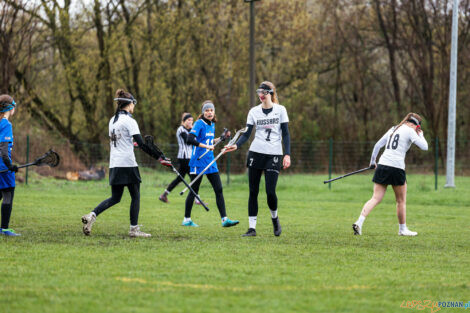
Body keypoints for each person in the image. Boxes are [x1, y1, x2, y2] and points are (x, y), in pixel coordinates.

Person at [81, 89, 170, 237]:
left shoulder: (113, 120)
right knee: (135, 196)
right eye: (134, 104)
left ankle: (92, 214)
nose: (134, 107)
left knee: (115, 198)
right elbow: (142, 144)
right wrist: (159, 158)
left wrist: (132, 144)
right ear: (130, 105)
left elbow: (124, 140)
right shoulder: (130, 121)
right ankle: (134, 229)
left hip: (114, 164)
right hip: (128, 164)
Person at [225, 81, 291, 237]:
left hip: (274, 154)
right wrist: (237, 145)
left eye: (263, 92)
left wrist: (287, 154)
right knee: (253, 191)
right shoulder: (254, 111)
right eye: (259, 92)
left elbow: (286, 134)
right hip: (256, 153)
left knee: (270, 192)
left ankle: (275, 219)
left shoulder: (280, 110)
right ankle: (252, 228)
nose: (260, 96)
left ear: (270, 93)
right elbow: (247, 134)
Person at [352, 113, 428, 236]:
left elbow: (377, 145)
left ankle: (359, 223)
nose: (416, 129)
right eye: (417, 127)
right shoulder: (410, 131)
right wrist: (421, 135)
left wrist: (373, 162)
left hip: (382, 165)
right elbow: (425, 147)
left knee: (375, 198)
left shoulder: (394, 128)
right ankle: (402, 229)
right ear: (414, 124)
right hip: (397, 168)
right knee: (401, 201)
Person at [182, 100, 238, 227]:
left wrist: (221, 138)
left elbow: (209, 140)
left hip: (210, 161)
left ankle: (224, 219)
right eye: (207, 110)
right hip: (198, 161)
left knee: (219, 189)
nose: (209, 112)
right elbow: (190, 139)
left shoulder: (212, 124)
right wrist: (206, 145)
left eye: (211, 110)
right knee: (194, 190)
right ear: (203, 112)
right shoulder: (199, 123)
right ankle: (186, 219)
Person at [159, 113, 193, 203]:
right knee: (194, 177)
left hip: (188, 157)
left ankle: (164, 195)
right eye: (188, 120)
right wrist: (193, 131)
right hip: (184, 157)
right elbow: (188, 141)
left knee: (180, 178)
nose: (190, 122)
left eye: (191, 120)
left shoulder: (188, 130)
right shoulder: (181, 129)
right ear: (183, 121)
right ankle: (196, 199)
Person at [0, 95, 19, 236]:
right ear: (10, 108)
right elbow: (4, 151)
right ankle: (5, 228)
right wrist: (10, 166)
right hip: (3, 167)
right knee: (8, 194)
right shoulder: (6, 124)